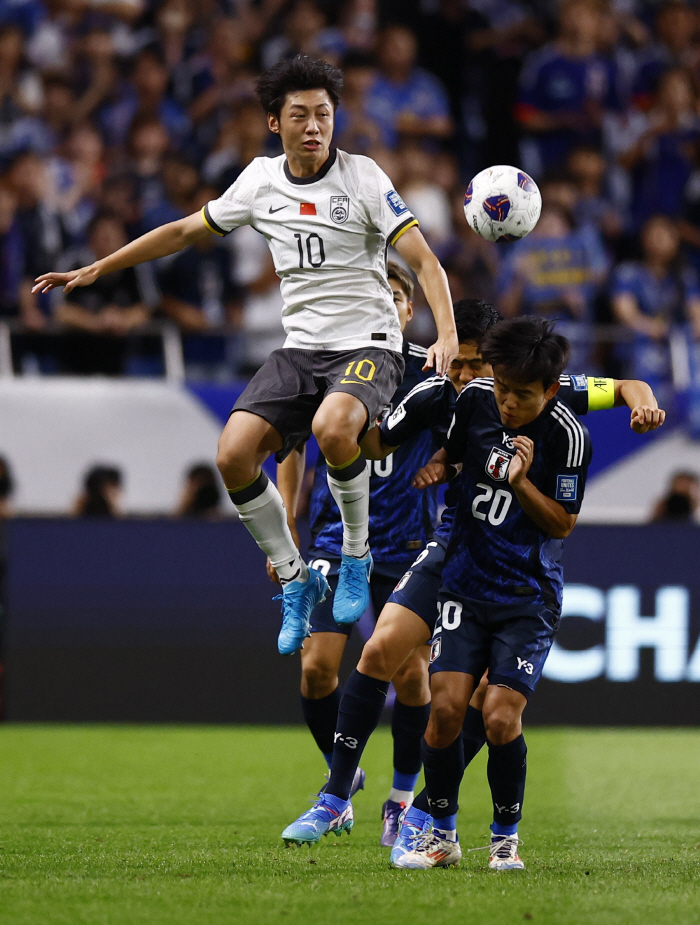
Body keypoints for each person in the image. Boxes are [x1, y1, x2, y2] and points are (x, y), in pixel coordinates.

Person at [33, 55, 458, 656]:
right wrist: (100, 266)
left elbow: (424, 261)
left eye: (324, 115)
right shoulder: (260, 181)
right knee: (232, 454)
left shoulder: (364, 177)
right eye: (300, 116)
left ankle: (355, 555)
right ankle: (294, 579)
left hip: (368, 343)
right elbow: (183, 231)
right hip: (301, 349)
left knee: (334, 428)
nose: (314, 126)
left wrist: (446, 334)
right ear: (273, 122)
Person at [281, 315, 665, 848]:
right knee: (380, 651)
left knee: (478, 702)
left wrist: (641, 399)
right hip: (451, 549)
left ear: (500, 365)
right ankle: (335, 799)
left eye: (474, 364)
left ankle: (424, 813)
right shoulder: (447, 392)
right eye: (454, 363)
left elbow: (623, 387)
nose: (463, 374)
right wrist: (338, 426)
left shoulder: (539, 395)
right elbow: (374, 444)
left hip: (513, 572)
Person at [387, 318, 593, 872]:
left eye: (521, 396)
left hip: (526, 596)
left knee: (500, 718)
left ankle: (505, 840)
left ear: (550, 390)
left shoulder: (569, 437)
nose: (506, 402)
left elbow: (562, 526)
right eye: (501, 387)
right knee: (446, 711)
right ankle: (441, 835)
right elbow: (454, 451)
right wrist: (439, 465)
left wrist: (521, 482)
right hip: (464, 583)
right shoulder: (476, 398)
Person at [275, 265, 470, 845]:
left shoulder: (428, 372)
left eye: (396, 298)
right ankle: (344, 776)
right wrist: (286, 517)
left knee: (412, 675)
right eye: (375, 294)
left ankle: (400, 797)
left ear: (409, 311)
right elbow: (289, 439)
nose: (385, 304)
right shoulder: (328, 361)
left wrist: (445, 464)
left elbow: (462, 440)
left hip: (406, 543)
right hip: (336, 540)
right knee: (315, 670)